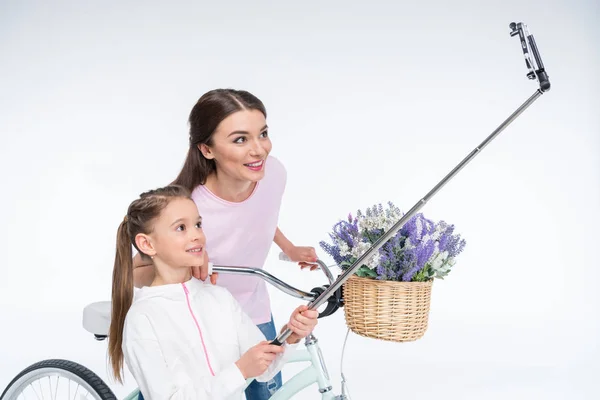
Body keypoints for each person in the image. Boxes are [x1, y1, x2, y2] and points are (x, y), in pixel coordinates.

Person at [132, 89, 319, 399]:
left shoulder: (273, 175)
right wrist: (186, 265)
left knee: (266, 391)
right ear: (207, 149)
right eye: (240, 139)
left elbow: (260, 216)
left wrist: (288, 248)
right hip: (201, 320)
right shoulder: (187, 209)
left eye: (263, 134)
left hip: (253, 310)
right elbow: (134, 272)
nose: (259, 150)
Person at [108, 185, 319, 399]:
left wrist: (290, 335)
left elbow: (264, 370)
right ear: (147, 244)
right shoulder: (143, 318)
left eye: (198, 225)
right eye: (181, 228)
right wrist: (239, 371)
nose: (197, 235)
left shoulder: (219, 298)